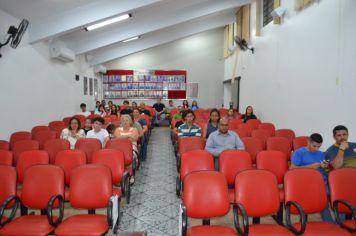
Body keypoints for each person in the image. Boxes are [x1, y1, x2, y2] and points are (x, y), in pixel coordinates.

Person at [290, 133, 334, 223]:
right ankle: (330, 222)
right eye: (314, 146)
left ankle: (341, 222)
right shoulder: (299, 152)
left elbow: (324, 169)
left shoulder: (321, 153)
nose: (316, 149)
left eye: (319, 146)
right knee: (324, 197)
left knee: (339, 195)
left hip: (323, 180)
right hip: (308, 182)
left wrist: (324, 166)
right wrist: (310, 167)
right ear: (308, 142)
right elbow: (292, 169)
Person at [114, 115, 139, 184]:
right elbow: (117, 138)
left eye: (127, 120)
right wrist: (128, 136)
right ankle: (118, 175)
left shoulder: (134, 129)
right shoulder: (117, 129)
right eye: (123, 120)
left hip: (131, 146)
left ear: (130, 122)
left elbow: (134, 138)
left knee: (129, 155)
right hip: (119, 147)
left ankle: (131, 175)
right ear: (121, 122)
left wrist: (122, 137)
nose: (125, 122)